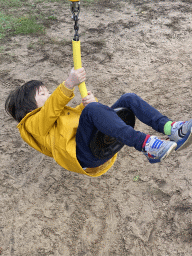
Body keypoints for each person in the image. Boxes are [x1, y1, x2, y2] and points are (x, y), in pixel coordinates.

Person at [5, 67, 192, 177]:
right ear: (28, 107)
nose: (50, 94)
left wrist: (88, 105)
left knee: (128, 99)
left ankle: (171, 128)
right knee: (93, 110)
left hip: (96, 143)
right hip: (85, 156)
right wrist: (69, 84)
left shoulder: (56, 116)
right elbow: (49, 111)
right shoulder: (30, 126)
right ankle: (146, 145)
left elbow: (78, 122)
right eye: (43, 94)